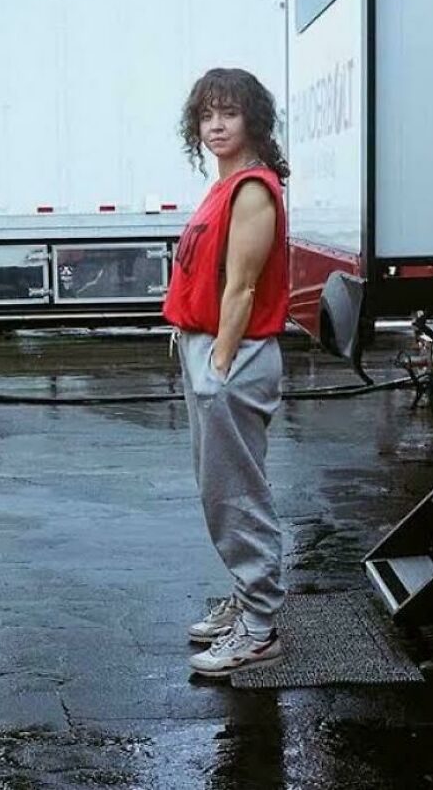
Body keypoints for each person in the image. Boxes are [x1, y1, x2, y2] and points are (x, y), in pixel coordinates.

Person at [163, 67, 290, 678]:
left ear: (252, 121)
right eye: (207, 114)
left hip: (232, 355)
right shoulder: (225, 185)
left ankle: (260, 628)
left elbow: (241, 289)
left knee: (237, 492)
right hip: (208, 346)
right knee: (221, 490)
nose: (216, 125)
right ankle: (247, 601)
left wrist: (217, 364)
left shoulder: (253, 190)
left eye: (229, 114)